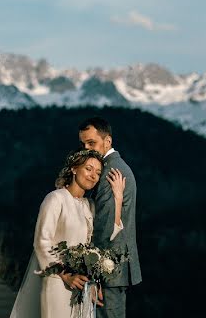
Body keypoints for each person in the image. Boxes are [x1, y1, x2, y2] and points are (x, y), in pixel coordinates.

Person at [9, 149, 126, 318]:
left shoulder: (90, 205)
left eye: (98, 172)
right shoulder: (55, 199)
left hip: (83, 285)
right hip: (58, 281)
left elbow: (107, 237)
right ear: (74, 168)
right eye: (88, 168)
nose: (93, 175)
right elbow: (42, 241)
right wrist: (65, 274)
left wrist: (118, 198)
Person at [78, 117, 141, 318]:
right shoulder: (115, 167)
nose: (87, 149)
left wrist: (96, 276)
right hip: (115, 268)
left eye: (92, 143)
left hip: (109, 270)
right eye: (83, 144)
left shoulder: (109, 173)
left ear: (108, 141)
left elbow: (104, 228)